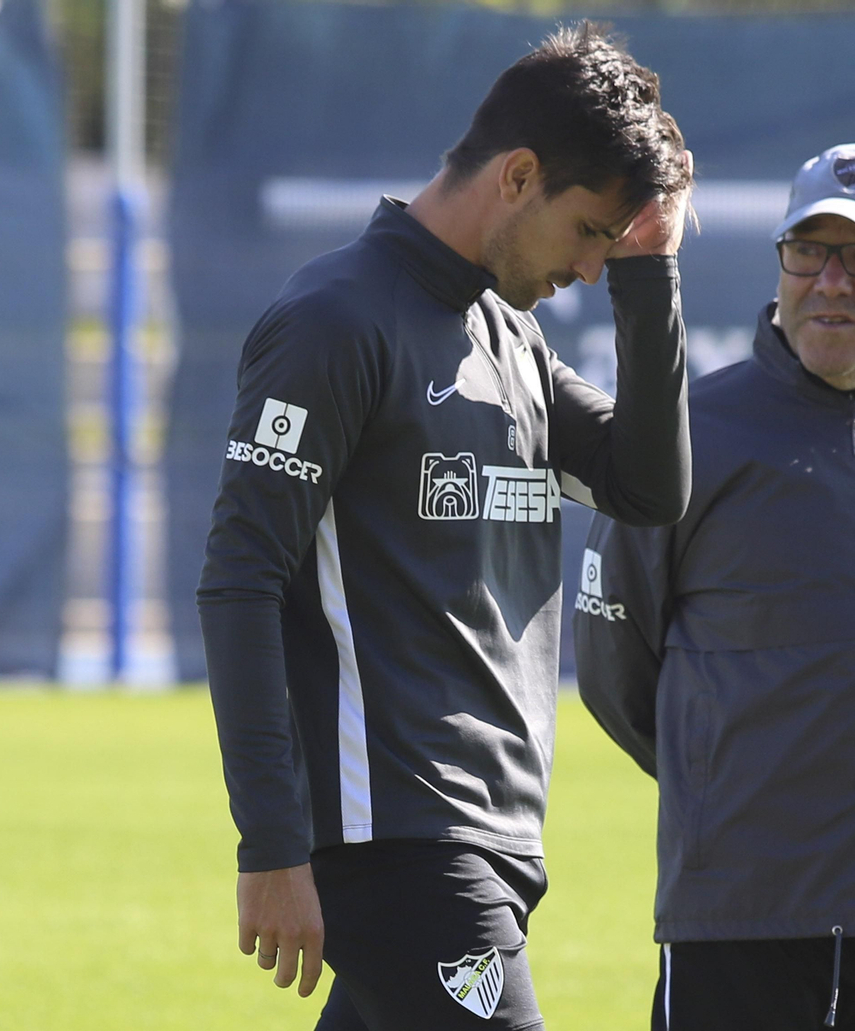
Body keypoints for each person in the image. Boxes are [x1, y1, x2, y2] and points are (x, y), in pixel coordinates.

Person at [198, 23, 694, 1031]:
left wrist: (651, 273)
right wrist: (271, 843)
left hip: (487, 835)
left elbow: (647, 486)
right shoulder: (336, 320)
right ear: (518, 176)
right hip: (398, 838)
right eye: (591, 232)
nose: (590, 268)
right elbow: (240, 578)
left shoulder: (510, 334)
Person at [573, 143, 855, 1031]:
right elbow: (613, 664)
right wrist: (719, 774)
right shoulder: (689, 435)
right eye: (808, 251)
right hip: (741, 912)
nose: (830, 281)